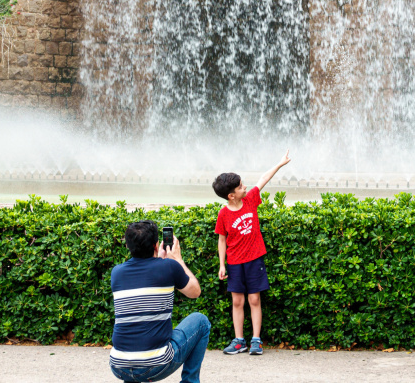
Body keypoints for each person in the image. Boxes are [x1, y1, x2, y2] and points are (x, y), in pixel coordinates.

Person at [109, 220, 209, 383]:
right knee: (201, 321)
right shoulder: (169, 266)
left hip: (119, 367)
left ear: (127, 246)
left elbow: (147, 277)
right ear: (156, 245)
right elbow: (195, 291)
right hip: (156, 366)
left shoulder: (117, 273)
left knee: (134, 335)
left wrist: (160, 260)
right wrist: (178, 259)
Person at [212, 150, 291, 356]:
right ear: (231, 195)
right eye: (240, 186)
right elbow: (221, 239)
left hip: (254, 259)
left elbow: (263, 179)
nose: (244, 186)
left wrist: (280, 163)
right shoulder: (223, 214)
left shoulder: (250, 200)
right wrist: (222, 264)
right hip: (235, 263)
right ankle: (239, 341)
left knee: (254, 299)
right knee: (237, 301)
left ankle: (256, 340)